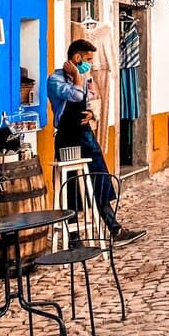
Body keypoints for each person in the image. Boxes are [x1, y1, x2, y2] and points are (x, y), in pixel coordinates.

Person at [47, 39, 144, 245]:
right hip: (68, 138)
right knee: (71, 186)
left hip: (85, 135)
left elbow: (92, 100)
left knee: (100, 179)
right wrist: (76, 78)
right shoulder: (55, 80)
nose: (89, 64)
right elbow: (74, 96)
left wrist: (92, 114)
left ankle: (115, 229)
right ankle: (73, 239)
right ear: (77, 57)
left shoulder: (85, 77)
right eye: (88, 59)